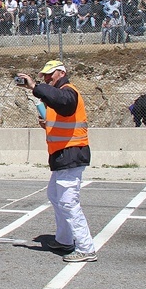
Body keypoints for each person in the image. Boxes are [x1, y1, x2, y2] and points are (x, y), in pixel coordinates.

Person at [16, 60, 96, 263]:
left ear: (61, 72)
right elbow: (62, 117)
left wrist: (35, 87)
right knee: (54, 195)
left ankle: (86, 247)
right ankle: (65, 240)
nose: (46, 78)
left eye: (50, 74)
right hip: (62, 155)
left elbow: (65, 104)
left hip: (72, 153)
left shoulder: (69, 91)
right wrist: (46, 124)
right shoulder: (57, 97)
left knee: (69, 202)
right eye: (44, 76)